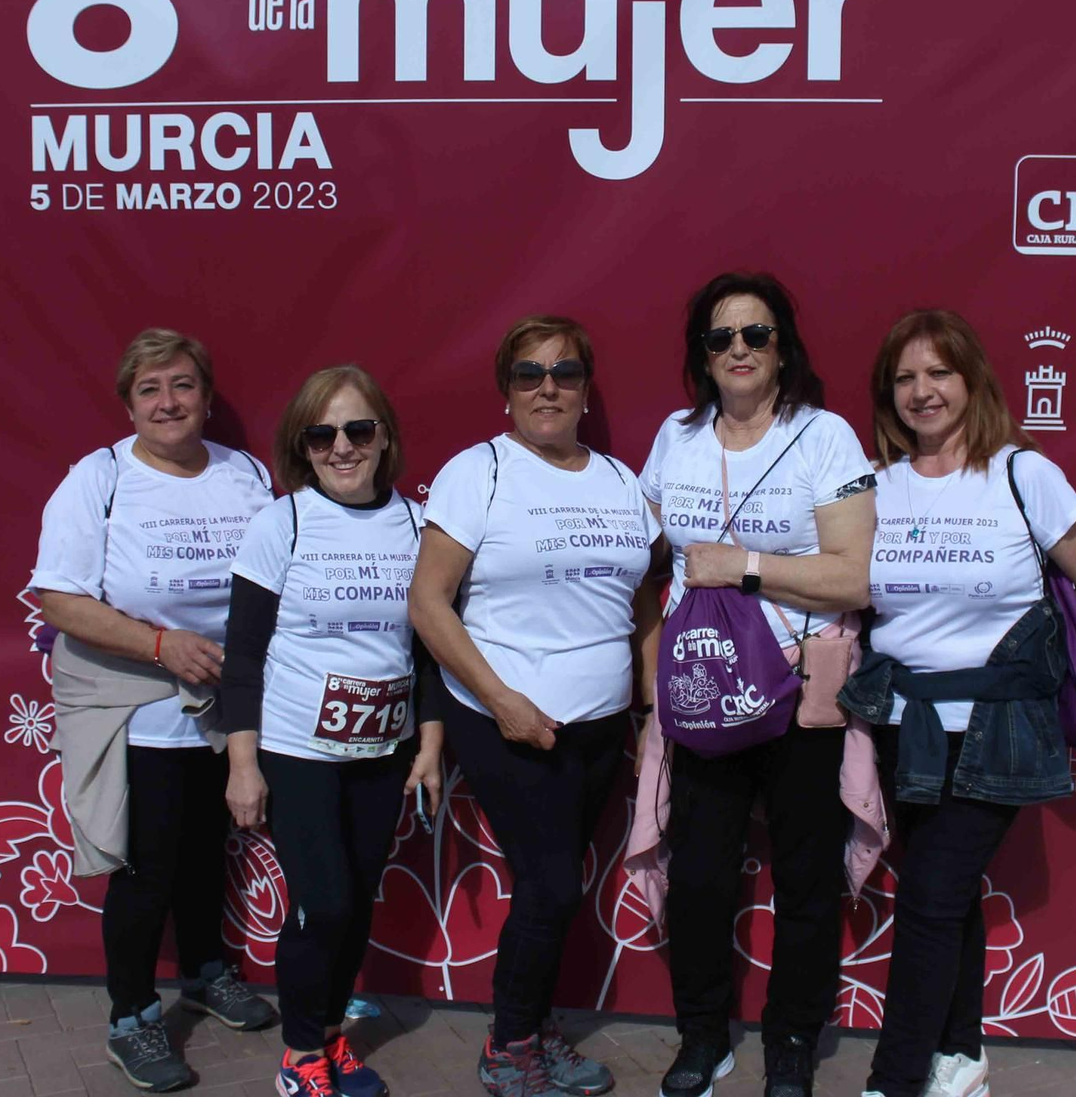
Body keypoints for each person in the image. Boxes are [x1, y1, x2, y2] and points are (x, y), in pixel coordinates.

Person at [841, 309, 1076, 1097]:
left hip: (1000, 728)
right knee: (942, 894)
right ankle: (959, 1057)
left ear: (972, 379)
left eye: (938, 372)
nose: (922, 391)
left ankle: (893, 1080)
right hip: (905, 725)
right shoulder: (874, 484)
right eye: (904, 377)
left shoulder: (1023, 472)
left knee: (928, 897)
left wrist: (1039, 679)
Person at [409, 316, 659, 1097]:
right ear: (506, 390)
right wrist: (500, 699)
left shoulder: (622, 481)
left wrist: (650, 711)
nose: (547, 386)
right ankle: (508, 1045)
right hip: (506, 720)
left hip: (597, 723)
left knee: (560, 884)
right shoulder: (477, 471)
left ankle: (538, 1027)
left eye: (565, 371)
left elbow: (645, 604)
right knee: (550, 885)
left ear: (587, 387)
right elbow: (428, 601)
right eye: (528, 373)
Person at [640, 273, 876, 1097]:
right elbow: (649, 561)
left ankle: (791, 1043)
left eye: (756, 334)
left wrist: (740, 564)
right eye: (720, 336)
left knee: (806, 881)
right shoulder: (677, 436)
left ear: (783, 349)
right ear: (701, 356)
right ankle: (701, 1036)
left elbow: (855, 576)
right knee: (701, 876)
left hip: (799, 689)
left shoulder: (825, 437)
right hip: (704, 687)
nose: (737, 348)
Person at [31, 328, 280, 1092]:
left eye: (181, 385)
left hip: (228, 701)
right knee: (148, 867)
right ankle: (131, 1016)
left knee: (209, 850)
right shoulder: (98, 478)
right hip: (139, 703)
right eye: (149, 389)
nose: (168, 402)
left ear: (206, 397)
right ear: (129, 404)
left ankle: (206, 969)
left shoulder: (246, 472)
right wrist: (160, 644)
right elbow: (58, 596)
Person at [221, 366, 446, 1097]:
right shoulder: (280, 522)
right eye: (322, 434)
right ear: (303, 446)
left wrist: (432, 744)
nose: (341, 447)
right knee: (327, 901)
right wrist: (243, 764)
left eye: (358, 429)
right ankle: (295, 1056)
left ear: (385, 437)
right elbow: (244, 654)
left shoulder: (417, 525)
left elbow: (428, 649)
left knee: (355, 899)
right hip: (298, 750)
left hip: (382, 751)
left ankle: (325, 1041)